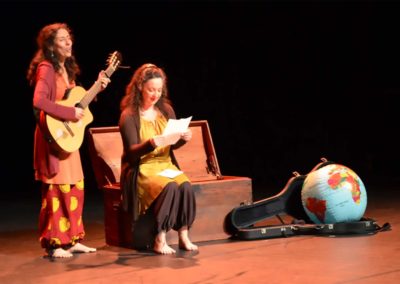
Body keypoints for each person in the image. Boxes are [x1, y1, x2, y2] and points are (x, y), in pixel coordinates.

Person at [26, 23, 111, 258]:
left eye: (69, 38)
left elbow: (75, 103)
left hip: (68, 139)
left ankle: (72, 239)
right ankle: (55, 244)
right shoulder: (46, 69)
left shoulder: (67, 69)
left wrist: (97, 87)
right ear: (51, 45)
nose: (68, 42)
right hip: (52, 137)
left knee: (76, 187)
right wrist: (69, 114)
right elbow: (39, 102)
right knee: (57, 190)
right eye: (62, 39)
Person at [119, 63, 198, 255]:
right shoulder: (129, 115)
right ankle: (159, 237)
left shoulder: (166, 110)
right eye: (151, 90)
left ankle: (183, 235)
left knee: (185, 185)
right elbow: (131, 153)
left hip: (165, 164)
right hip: (143, 167)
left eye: (159, 90)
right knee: (169, 186)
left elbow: (170, 144)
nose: (155, 94)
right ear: (140, 87)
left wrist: (182, 139)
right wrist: (150, 143)